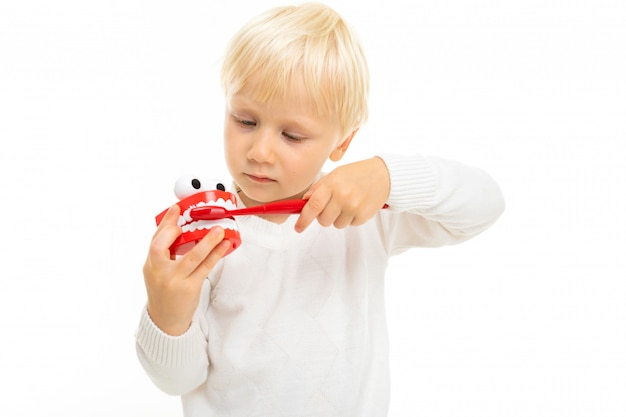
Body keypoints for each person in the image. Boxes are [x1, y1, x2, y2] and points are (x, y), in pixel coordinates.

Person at [135, 2, 505, 416]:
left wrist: (387, 175)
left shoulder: (365, 213)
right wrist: (167, 316)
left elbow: (485, 204)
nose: (259, 152)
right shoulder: (206, 234)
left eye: (292, 135)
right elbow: (179, 382)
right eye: (245, 120)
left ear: (342, 143)